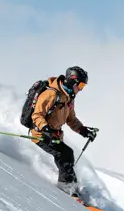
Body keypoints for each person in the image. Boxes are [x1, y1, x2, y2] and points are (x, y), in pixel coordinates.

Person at [28, 65, 99, 198]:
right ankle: (66, 189)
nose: (81, 89)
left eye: (83, 86)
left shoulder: (68, 98)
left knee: (67, 156)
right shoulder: (51, 94)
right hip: (41, 135)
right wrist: (46, 129)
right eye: (81, 85)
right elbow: (36, 115)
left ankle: (72, 187)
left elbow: (71, 119)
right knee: (65, 154)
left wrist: (83, 130)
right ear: (72, 81)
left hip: (54, 135)